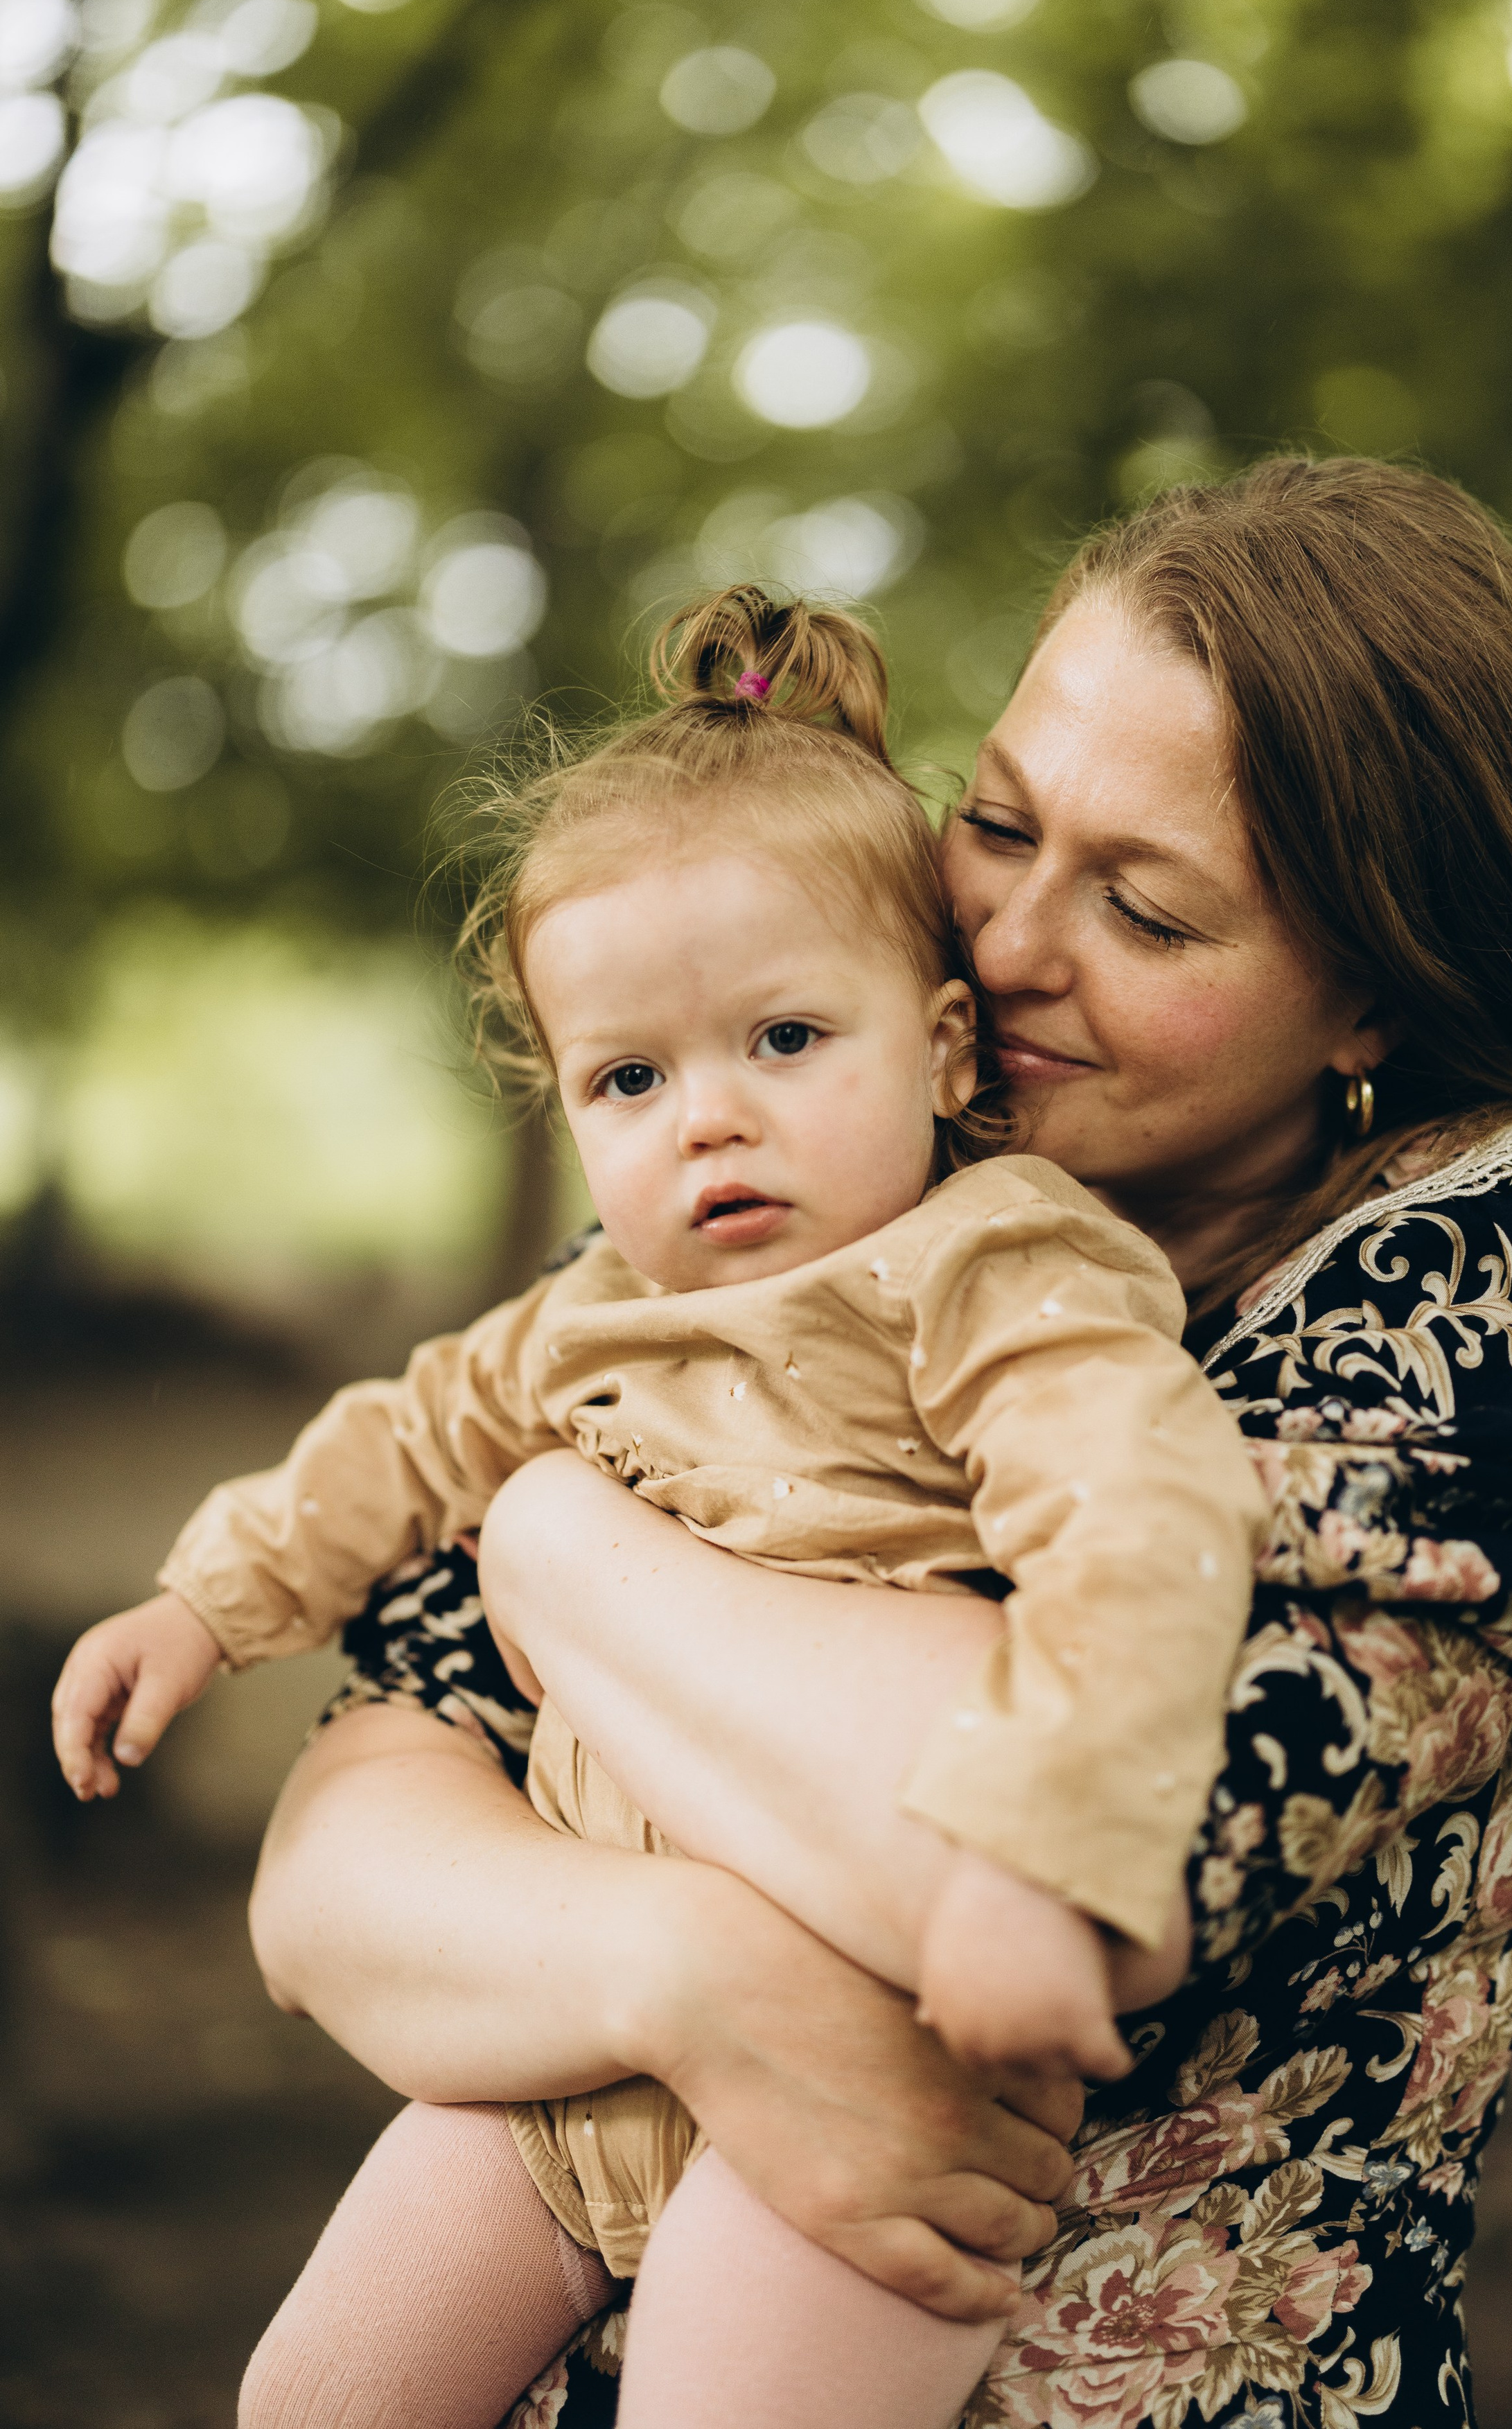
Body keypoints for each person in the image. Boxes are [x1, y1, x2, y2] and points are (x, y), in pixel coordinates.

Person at [87, 456, 1512, 2427]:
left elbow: (1102, 1857)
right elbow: (334, 1876)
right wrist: (686, 1977)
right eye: (994, 825)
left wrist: (560, 1555)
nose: (1007, 942)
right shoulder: (781, 1191)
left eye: (1145, 907)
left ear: (1376, 988)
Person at [52, 586, 1269, 2429]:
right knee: (310, 2395)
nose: (710, 1121)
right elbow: (407, 1434)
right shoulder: (594, 1311)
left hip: (880, 2092)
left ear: (945, 1052)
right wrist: (203, 1602)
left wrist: (1039, 1861)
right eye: (632, 1076)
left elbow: (1138, 1529)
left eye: (786, 1041)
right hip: (554, 2088)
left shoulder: (995, 1272)